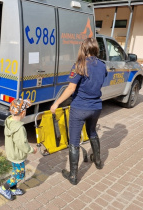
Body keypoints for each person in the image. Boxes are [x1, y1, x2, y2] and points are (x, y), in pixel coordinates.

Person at [50, 38, 107, 185]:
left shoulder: (79, 66)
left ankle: (73, 176)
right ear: (95, 49)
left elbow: (70, 89)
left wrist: (56, 103)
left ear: (83, 49)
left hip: (80, 108)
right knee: (92, 132)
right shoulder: (102, 65)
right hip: (96, 107)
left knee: (74, 142)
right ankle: (98, 161)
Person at [0, 99, 37, 201]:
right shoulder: (19, 128)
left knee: (16, 172)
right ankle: (4, 188)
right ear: (23, 113)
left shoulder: (9, 121)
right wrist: (32, 149)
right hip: (17, 155)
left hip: (12, 153)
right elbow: (22, 144)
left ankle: (13, 188)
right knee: (19, 175)